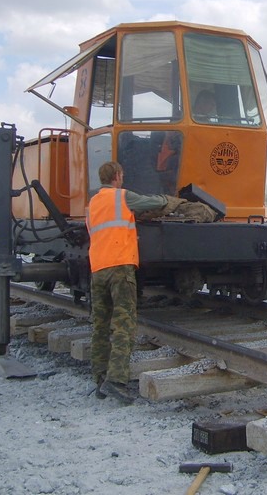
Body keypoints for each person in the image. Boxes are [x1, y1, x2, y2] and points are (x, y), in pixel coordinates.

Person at [86, 161, 178, 403]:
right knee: (124, 324)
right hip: (120, 267)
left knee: (100, 324)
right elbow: (152, 203)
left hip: (98, 268)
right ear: (117, 176)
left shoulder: (92, 203)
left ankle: (100, 379)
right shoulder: (122, 197)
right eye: (122, 175)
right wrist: (168, 199)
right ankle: (116, 381)